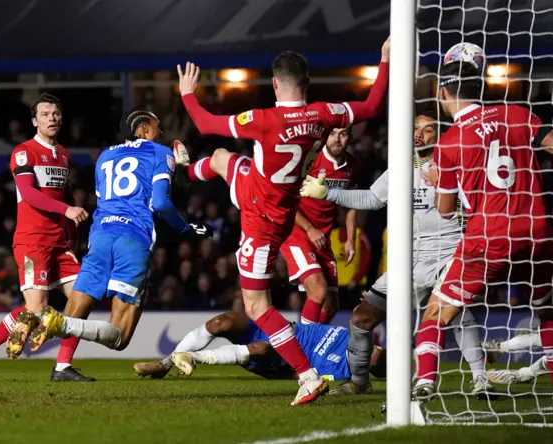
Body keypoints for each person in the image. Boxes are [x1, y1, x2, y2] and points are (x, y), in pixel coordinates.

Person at [174, 38, 390, 405]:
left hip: (260, 218)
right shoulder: (323, 114)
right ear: (306, 82)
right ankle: (186, 172)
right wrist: (384, 61)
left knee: (257, 306)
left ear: (275, 83)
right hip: (283, 208)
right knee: (226, 159)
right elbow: (371, 104)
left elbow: (204, 122)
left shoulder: (262, 119)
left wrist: (187, 94)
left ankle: (306, 375)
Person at [300, 112, 493, 397]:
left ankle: (481, 379)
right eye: (416, 128)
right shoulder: (401, 168)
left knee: (457, 314)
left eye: (428, 130)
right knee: (361, 319)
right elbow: (371, 198)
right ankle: (359, 381)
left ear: (439, 134)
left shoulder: (456, 162)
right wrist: (327, 192)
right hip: (409, 260)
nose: (420, 134)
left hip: (451, 253)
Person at [412, 61, 553, 400]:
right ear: (482, 88)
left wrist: (437, 183)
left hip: (487, 235)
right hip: (535, 229)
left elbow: (446, 212)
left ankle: (424, 385)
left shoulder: (449, 143)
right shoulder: (518, 113)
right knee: (548, 308)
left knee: (435, 312)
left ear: (442, 92)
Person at [28, 110, 212, 357]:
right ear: (144, 128)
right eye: (158, 128)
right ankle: (58, 325)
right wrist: (185, 228)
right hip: (133, 237)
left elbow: (105, 198)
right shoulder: (160, 152)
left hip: (101, 235)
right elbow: (159, 203)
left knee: (73, 315)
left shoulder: (105, 156)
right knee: (120, 337)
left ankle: (43, 322)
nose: (161, 134)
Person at [0, 93, 92, 383]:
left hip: (59, 244)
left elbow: (67, 194)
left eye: (56, 113)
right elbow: (31, 194)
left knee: (82, 300)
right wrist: (67, 210)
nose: (52, 118)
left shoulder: (64, 156)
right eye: (45, 114)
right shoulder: (24, 152)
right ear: (35, 120)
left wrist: (71, 232)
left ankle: (62, 368)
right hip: (32, 242)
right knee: (36, 309)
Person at [132, 311, 386, 383]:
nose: (374, 348)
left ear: (369, 366)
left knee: (261, 350)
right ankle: (165, 365)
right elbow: (362, 315)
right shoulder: (358, 336)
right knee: (220, 322)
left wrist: (270, 372)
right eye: (378, 348)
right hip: (280, 326)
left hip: (278, 352)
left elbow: (299, 375)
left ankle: (193, 357)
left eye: (375, 354)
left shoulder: (343, 371)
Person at [279, 127, 359, 325]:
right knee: (318, 289)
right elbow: (286, 200)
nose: (337, 139)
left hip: (322, 236)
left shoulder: (352, 166)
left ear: (350, 137)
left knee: (331, 304)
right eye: (333, 134)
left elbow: (351, 203)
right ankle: (304, 345)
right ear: (325, 136)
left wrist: (350, 240)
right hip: (296, 231)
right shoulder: (309, 160)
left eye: (343, 134)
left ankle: (310, 343)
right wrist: (309, 228)